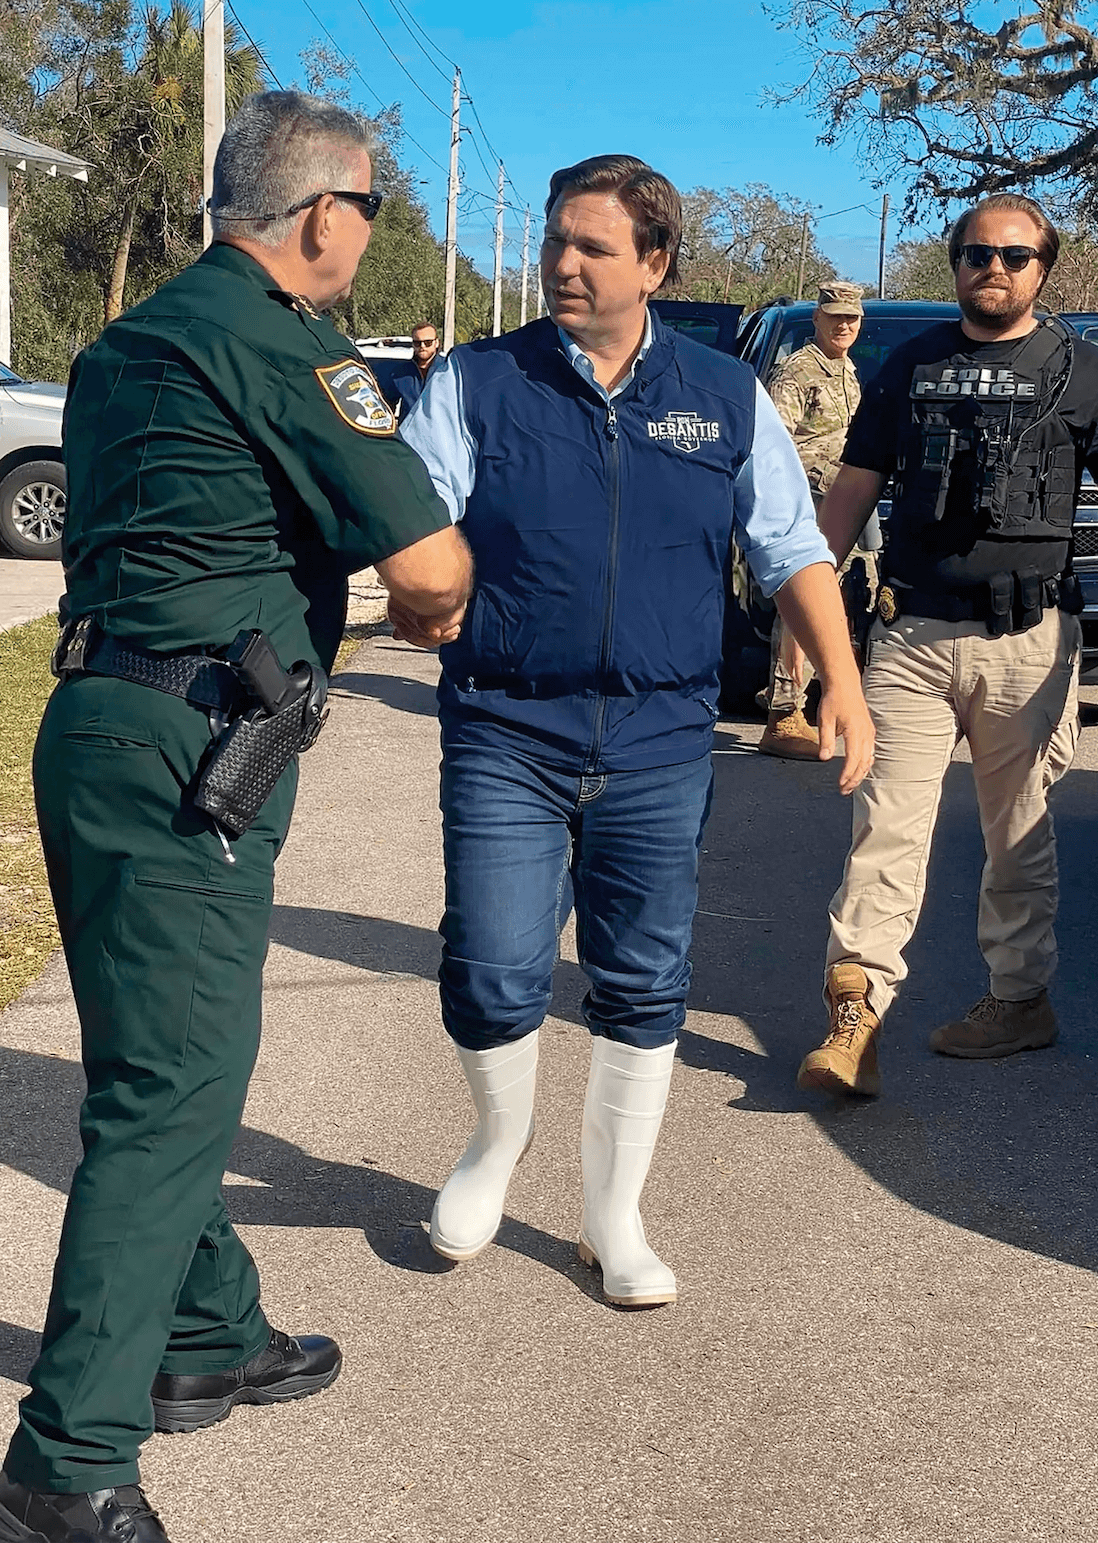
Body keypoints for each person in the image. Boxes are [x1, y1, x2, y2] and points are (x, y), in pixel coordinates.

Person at [0, 91, 472, 1543]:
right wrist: (417, 611)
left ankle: (208, 1326)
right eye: (376, 207)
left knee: (156, 1058)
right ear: (322, 213)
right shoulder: (287, 344)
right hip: (196, 745)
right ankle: (66, 1458)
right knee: (173, 1087)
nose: (372, 231)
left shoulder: (118, 345)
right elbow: (434, 566)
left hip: (87, 721)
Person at [400, 154, 873, 1308]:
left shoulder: (724, 395)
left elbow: (792, 547)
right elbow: (414, 527)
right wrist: (423, 597)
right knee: (495, 963)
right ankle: (493, 1146)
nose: (564, 261)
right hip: (508, 728)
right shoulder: (475, 382)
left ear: (655, 264)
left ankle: (613, 1220)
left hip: (661, 737)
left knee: (643, 975)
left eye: (593, 246)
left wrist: (844, 684)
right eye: (559, 239)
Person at [797, 194, 1098, 1099]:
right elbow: (849, 494)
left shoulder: (1087, 374)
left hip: (1031, 643)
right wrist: (804, 618)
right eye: (975, 253)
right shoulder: (910, 366)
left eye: (1013, 256)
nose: (992, 269)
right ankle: (856, 1014)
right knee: (884, 825)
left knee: (1017, 834)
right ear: (955, 262)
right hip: (912, 634)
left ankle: (1019, 998)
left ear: (1043, 267)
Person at [760, 281, 883, 759]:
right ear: (817, 320)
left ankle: (834, 702)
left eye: (852, 318)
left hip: (848, 504)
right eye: (835, 318)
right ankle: (783, 714)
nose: (844, 326)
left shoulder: (846, 371)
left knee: (852, 600)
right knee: (806, 602)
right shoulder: (798, 372)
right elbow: (773, 445)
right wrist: (821, 474)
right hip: (809, 505)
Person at [379, 321, 441, 418]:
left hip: (440, 432)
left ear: (436, 343)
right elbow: (387, 406)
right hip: (408, 431)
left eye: (428, 343)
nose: (422, 347)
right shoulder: (400, 372)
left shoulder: (447, 369)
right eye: (417, 343)